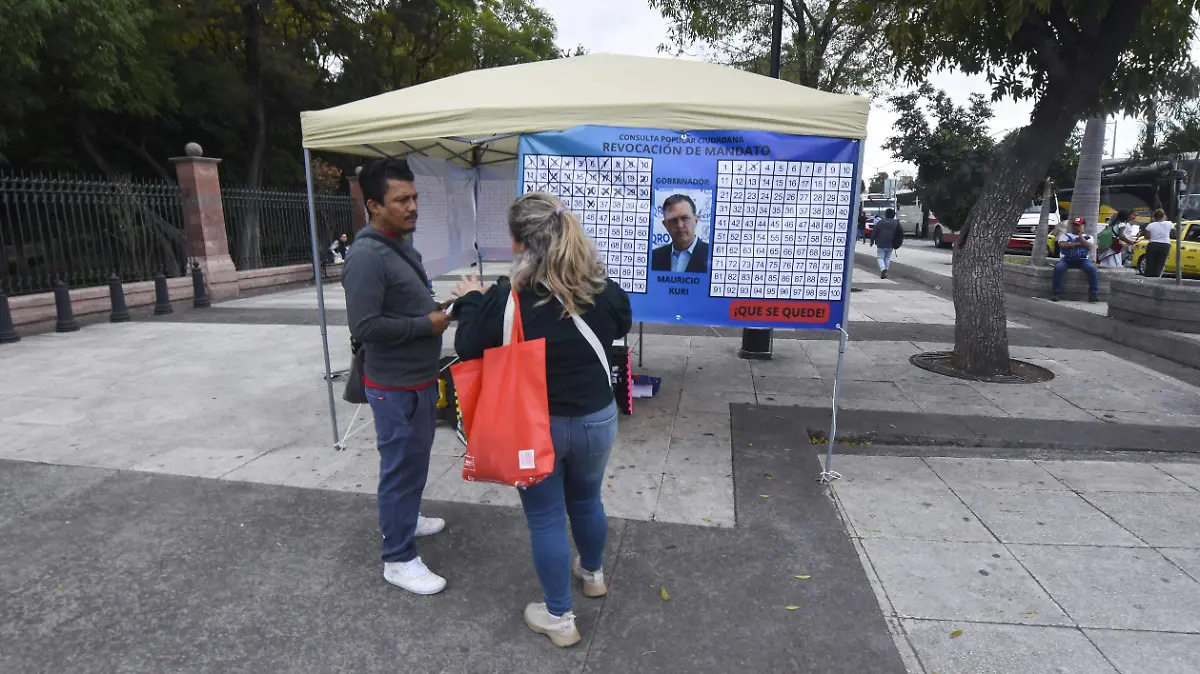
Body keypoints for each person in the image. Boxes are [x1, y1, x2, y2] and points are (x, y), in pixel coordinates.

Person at [452, 192, 632, 648]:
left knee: (547, 518)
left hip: (537, 426)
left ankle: (558, 617)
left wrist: (472, 299)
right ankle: (592, 575)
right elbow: (622, 324)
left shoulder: (507, 298)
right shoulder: (602, 288)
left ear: (518, 244)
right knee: (588, 500)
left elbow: (469, 347)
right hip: (596, 419)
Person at [342, 158, 452, 595]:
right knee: (400, 467)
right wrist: (426, 326)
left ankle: (407, 518)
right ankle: (398, 558)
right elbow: (364, 327)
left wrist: (445, 306)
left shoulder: (404, 246)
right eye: (401, 200)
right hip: (394, 386)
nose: (412, 207)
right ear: (372, 204)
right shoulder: (367, 256)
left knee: (415, 461)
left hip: (419, 378)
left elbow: (408, 305)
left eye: (414, 198)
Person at [650, 194, 709, 272]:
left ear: (696, 220)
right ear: (665, 225)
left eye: (685, 218)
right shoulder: (653, 257)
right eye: (673, 220)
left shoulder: (712, 255)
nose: (680, 225)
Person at [1052, 217, 1100, 302]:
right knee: (1058, 268)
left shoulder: (1089, 237)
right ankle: (1056, 293)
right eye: (1074, 225)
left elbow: (1089, 246)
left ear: (1083, 226)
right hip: (1066, 259)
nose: (1076, 227)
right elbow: (1062, 245)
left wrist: (1080, 236)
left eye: (1078, 225)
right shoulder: (1065, 235)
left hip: (1082, 260)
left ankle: (1093, 294)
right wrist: (1078, 243)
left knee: (1092, 269)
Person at [1140, 208, 1176, 277]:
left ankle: (1149, 276)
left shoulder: (1150, 225)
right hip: (1165, 245)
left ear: (1154, 217)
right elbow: (1174, 233)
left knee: (1150, 262)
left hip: (1153, 244)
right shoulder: (1169, 224)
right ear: (1164, 216)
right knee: (1160, 263)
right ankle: (1157, 277)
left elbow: (1146, 237)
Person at [870, 208, 901, 279]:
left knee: (880, 257)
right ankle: (885, 271)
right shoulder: (896, 223)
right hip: (891, 243)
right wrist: (898, 242)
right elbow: (900, 234)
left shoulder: (880, 222)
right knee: (887, 258)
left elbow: (875, 231)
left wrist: (872, 240)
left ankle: (883, 269)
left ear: (886, 214)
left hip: (880, 243)